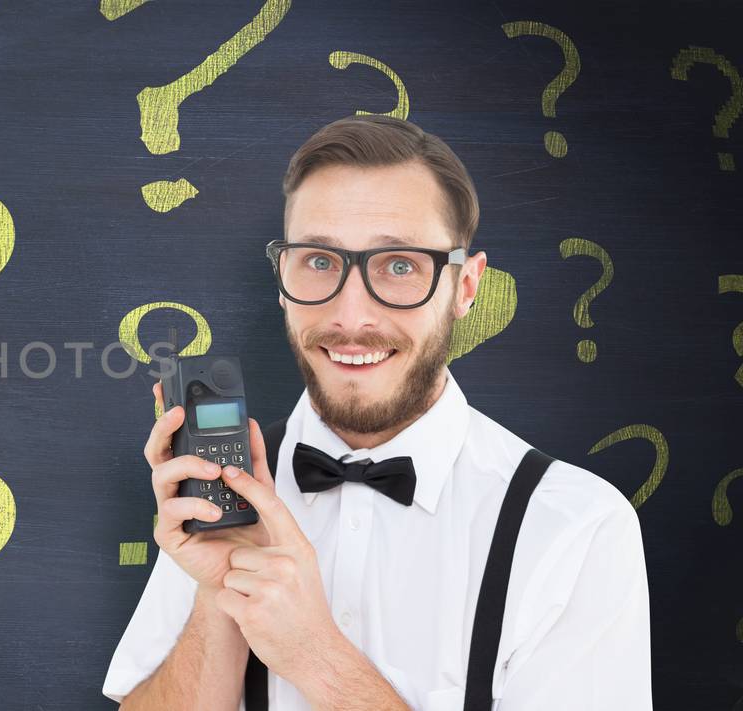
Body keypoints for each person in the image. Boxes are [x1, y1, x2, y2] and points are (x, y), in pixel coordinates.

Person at [102, 115, 651, 709]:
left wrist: (317, 657)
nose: (351, 315)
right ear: (281, 277)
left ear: (466, 286)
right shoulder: (218, 493)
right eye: (318, 261)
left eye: (398, 265)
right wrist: (221, 592)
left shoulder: (576, 526)